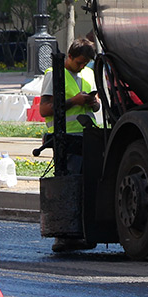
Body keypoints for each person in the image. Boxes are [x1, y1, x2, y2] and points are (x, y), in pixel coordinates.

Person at [39, 37, 99, 253]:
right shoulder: (54, 74)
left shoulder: (89, 74)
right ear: (70, 56)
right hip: (64, 139)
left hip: (86, 137)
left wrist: (94, 103)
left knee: (84, 187)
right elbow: (44, 109)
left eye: (85, 63)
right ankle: (64, 237)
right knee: (67, 185)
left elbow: (95, 103)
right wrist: (74, 101)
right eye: (79, 62)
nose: (82, 66)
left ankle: (79, 232)